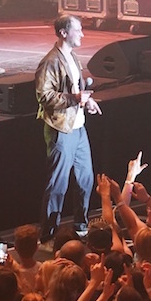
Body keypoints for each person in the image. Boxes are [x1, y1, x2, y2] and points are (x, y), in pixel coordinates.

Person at [34, 15, 101, 242]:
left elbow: (76, 90)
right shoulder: (50, 62)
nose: (82, 34)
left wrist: (87, 101)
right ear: (63, 33)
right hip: (61, 129)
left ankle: (81, 225)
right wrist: (75, 98)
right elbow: (44, 97)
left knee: (85, 179)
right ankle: (48, 234)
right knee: (58, 184)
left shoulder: (72, 57)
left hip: (78, 128)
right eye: (78, 30)